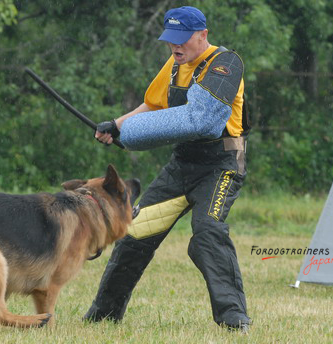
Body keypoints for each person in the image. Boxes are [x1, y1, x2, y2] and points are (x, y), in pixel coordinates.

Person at [85, 6, 251, 332]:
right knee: (135, 234)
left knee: (207, 232)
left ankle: (234, 320)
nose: (176, 47)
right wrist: (116, 125)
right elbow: (153, 105)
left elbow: (201, 121)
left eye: (182, 40)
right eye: (170, 41)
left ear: (202, 34)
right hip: (182, 164)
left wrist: (132, 133)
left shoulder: (225, 63)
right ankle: (104, 316)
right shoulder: (174, 67)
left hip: (221, 164)